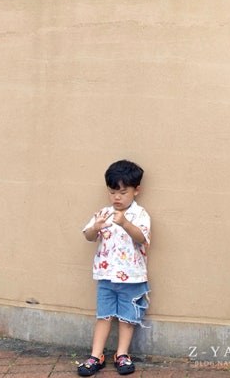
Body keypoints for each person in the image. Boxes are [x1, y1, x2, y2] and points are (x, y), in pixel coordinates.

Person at [77, 159, 150, 377]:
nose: (117, 197)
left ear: (136, 190)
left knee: (128, 318)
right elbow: (89, 236)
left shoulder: (140, 214)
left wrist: (125, 223)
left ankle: (122, 354)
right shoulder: (104, 213)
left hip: (132, 277)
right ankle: (96, 355)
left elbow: (142, 238)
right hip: (106, 277)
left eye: (123, 192)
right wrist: (96, 227)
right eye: (112, 192)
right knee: (104, 315)